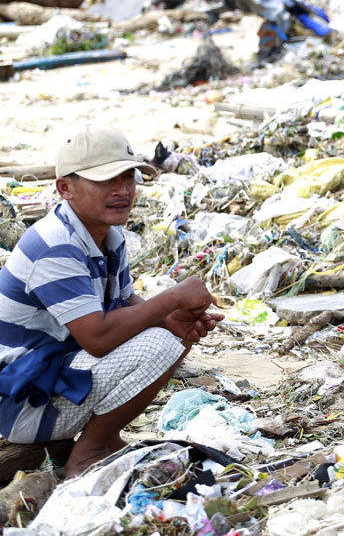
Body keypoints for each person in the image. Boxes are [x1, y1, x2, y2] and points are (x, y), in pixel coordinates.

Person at [0, 126, 222, 476]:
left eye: (127, 178)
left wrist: (171, 316)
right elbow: (98, 338)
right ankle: (88, 453)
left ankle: (104, 439)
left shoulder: (109, 235)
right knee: (160, 343)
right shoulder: (55, 244)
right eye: (106, 181)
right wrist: (170, 300)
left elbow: (122, 302)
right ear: (65, 188)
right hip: (19, 402)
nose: (123, 192)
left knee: (172, 334)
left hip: (54, 372)